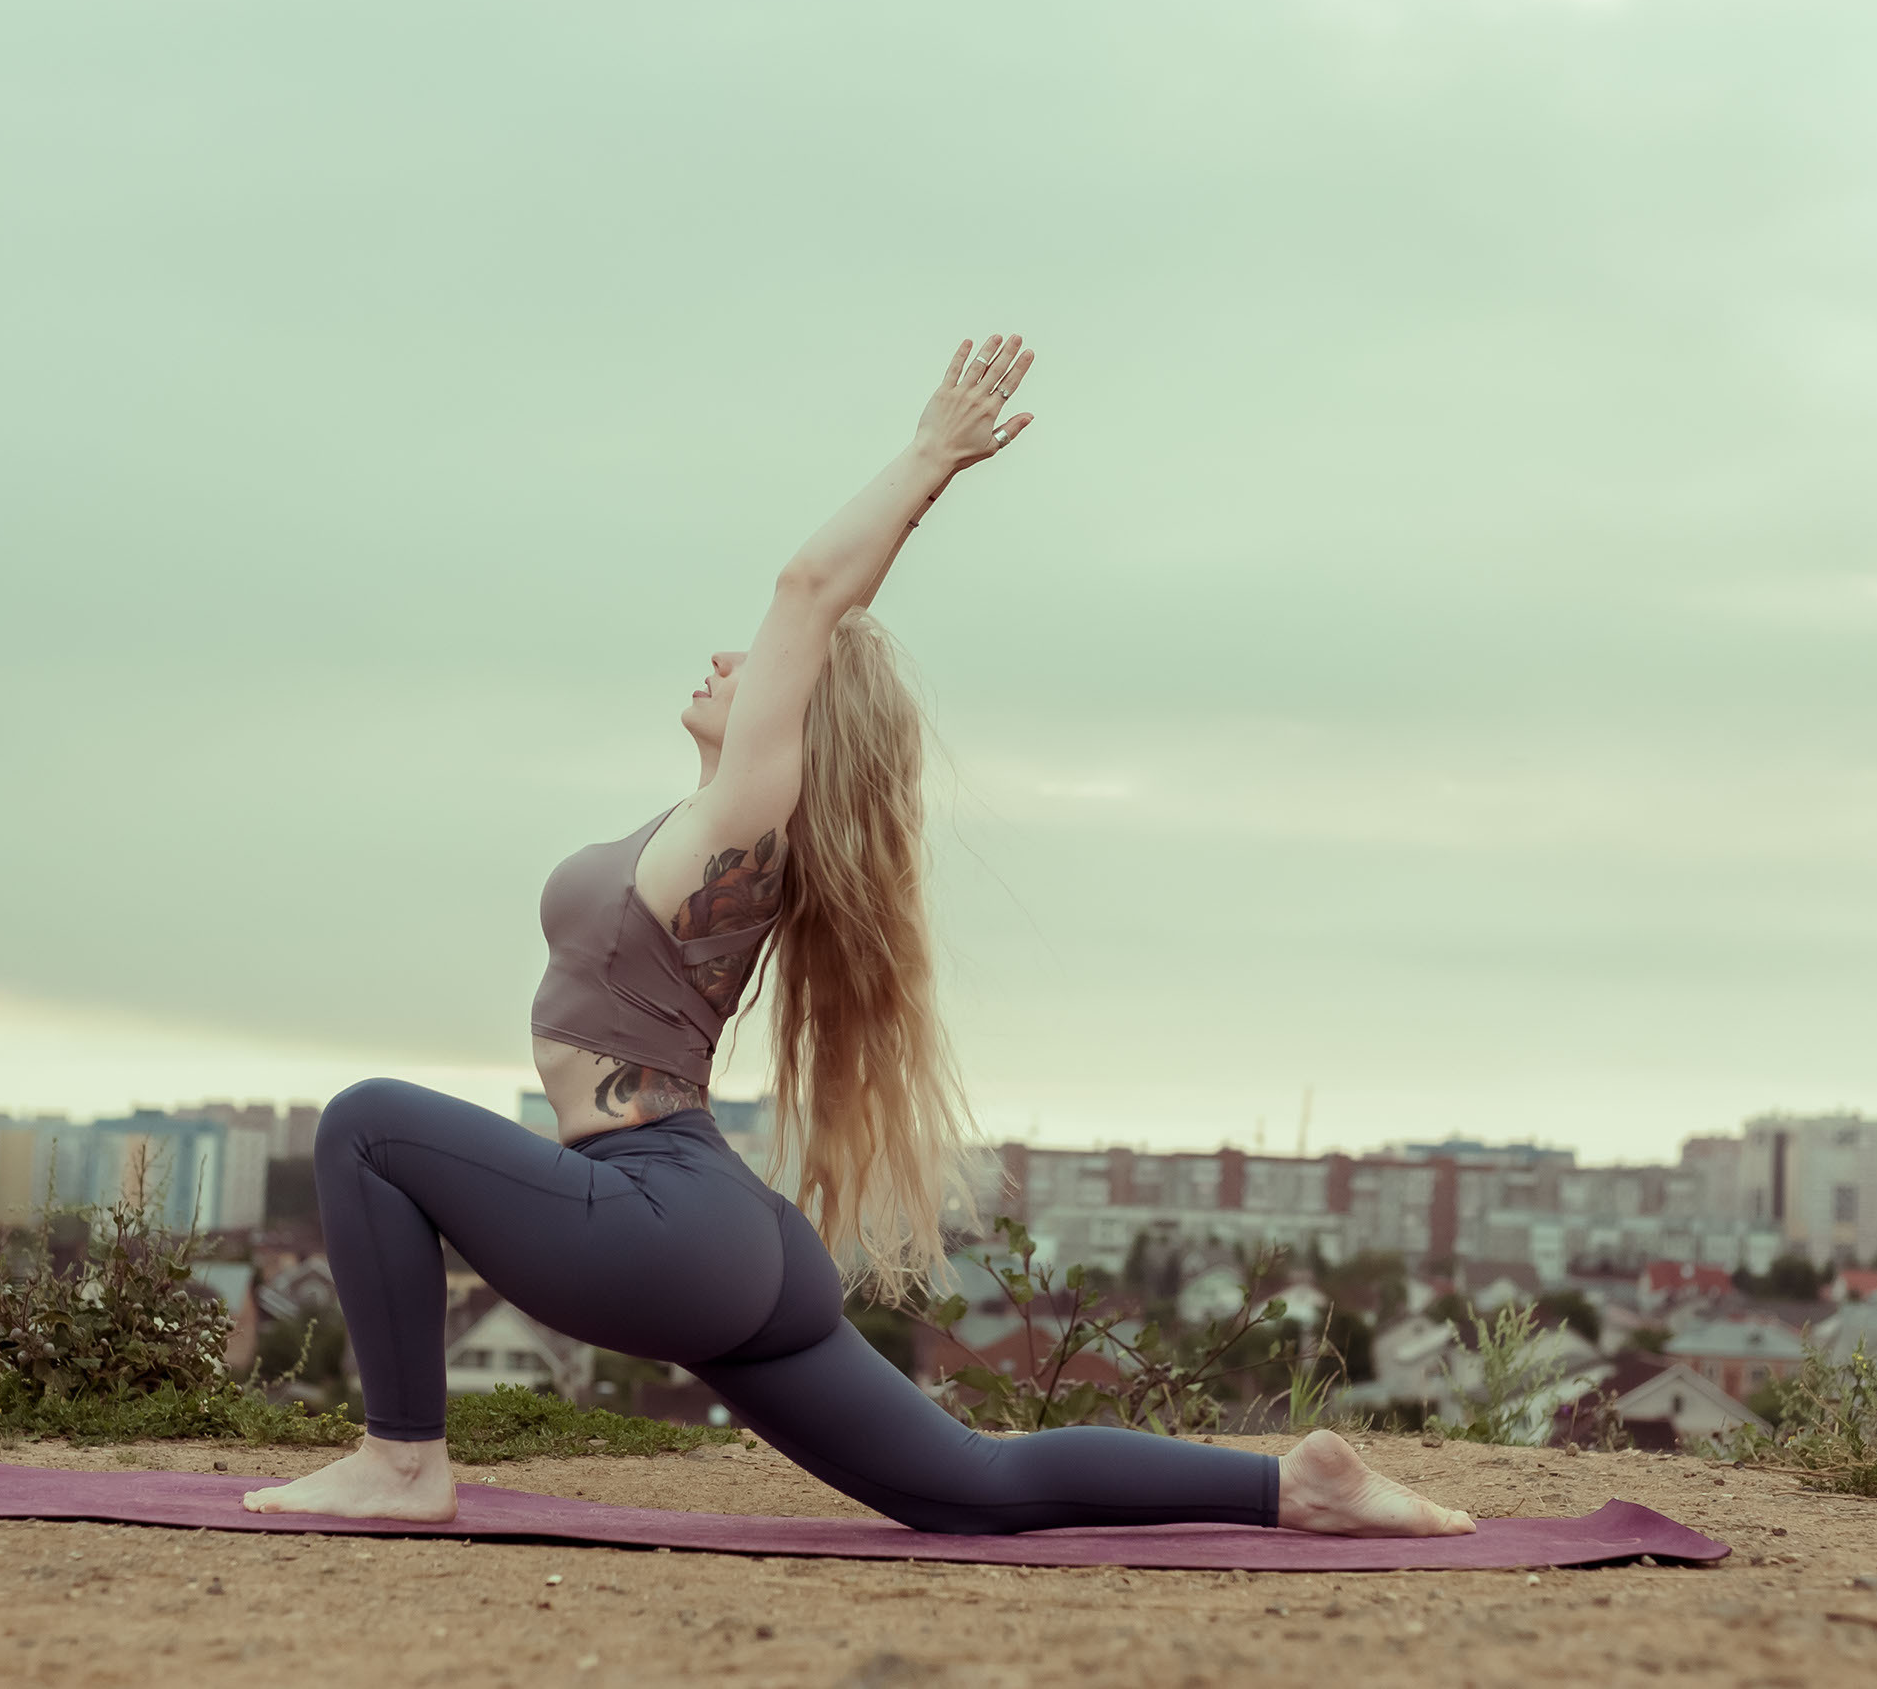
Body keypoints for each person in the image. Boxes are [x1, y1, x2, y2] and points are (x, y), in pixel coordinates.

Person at [244, 335, 1474, 1539]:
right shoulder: (708, 833)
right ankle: (1292, 1487)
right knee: (962, 1486)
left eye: (764, 667)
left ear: (795, 715)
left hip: (656, 1221)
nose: (728, 658)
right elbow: (800, 621)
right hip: (730, 1236)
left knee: (366, 1121)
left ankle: (401, 1461)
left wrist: (925, 461)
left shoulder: (742, 822)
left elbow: (809, 592)